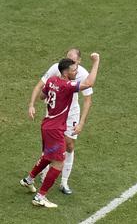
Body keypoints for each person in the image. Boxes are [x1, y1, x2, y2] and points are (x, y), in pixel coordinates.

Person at [20, 53, 101, 208]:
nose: (76, 72)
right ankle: (40, 196)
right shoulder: (67, 86)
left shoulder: (51, 80)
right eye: (74, 70)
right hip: (56, 129)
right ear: (65, 73)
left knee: (48, 156)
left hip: (46, 125)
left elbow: (42, 97)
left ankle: (28, 180)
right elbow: (89, 83)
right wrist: (96, 61)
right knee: (59, 163)